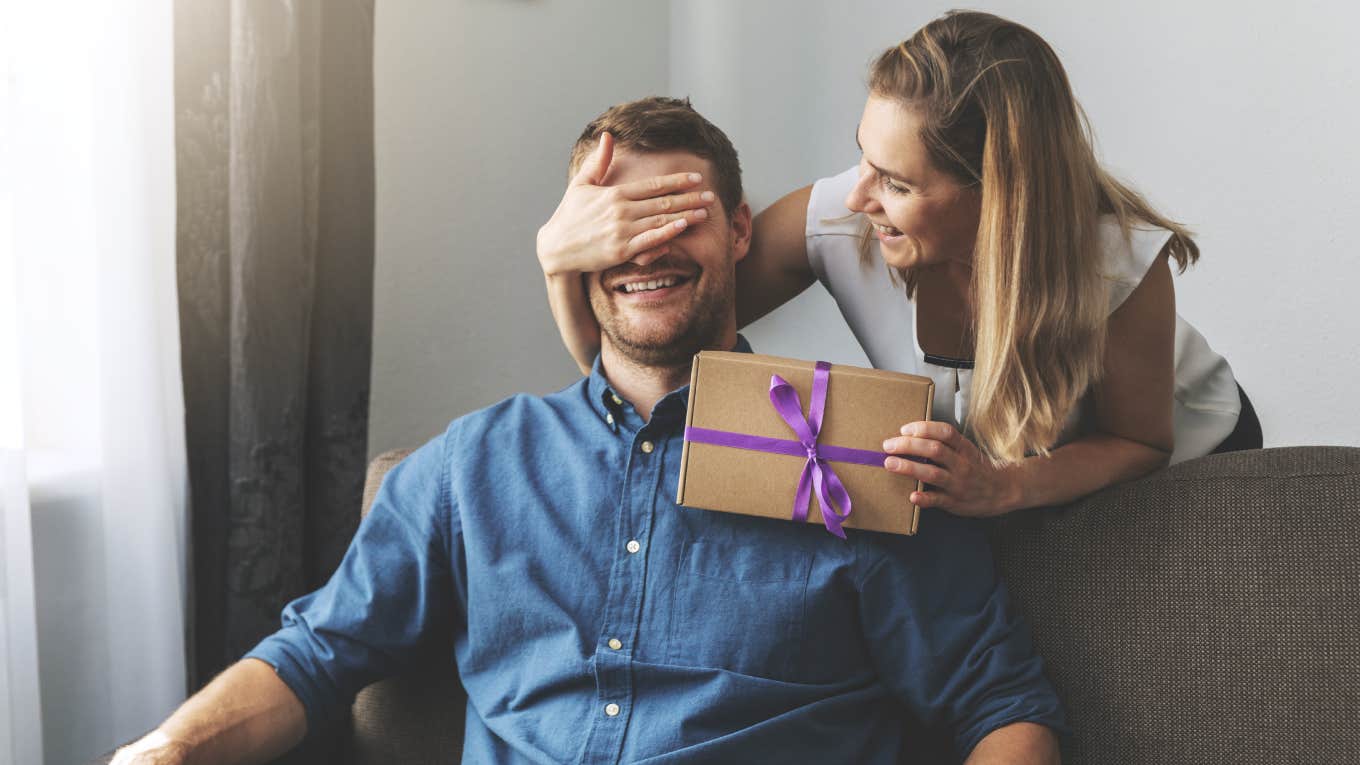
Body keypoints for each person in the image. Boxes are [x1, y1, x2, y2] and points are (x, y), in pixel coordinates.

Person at [111, 97, 1065, 765]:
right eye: (611, 221)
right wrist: (166, 748)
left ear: (738, 230)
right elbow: (314, 655)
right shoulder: (468, 469)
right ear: (571, 247)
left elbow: (1004, 707)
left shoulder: (864, 454)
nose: (643, 246)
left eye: (676, 213)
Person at [538, 11, 1263, 521]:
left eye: (898, 183)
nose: (858, 194)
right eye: (863, 154)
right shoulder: (837, 218)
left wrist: (1006, 489)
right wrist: (557, 261)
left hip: (1178, 461)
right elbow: (646, 364)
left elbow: (1140, 441)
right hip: (991, 475)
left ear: (998, 200)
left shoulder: (1118, 267)